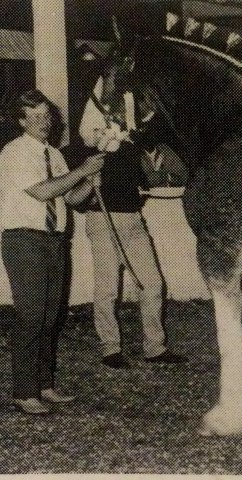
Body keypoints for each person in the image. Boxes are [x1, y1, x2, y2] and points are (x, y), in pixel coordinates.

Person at [0, 90, 105, 414]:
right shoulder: (14, 153)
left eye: (47, 115)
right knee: (31, 316)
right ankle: (24, 391)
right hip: (25, 240)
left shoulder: (55, 155)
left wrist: (90, 182)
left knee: (50, 317)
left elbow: (70, 199)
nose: (43, 122)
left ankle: (44, 385)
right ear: (21, 121)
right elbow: (43, 191)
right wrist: (82, 171)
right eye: (35, 117)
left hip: (55, 240)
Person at [78, 77, 187, 369]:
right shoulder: (95, 137)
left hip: (133, 218)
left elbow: (157, 165)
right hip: (103, 218)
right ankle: (110, 348)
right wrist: (105, 140)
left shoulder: (136, 138)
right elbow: (89, 142)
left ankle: (154, 347)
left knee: (152, 283)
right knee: (107, 288)